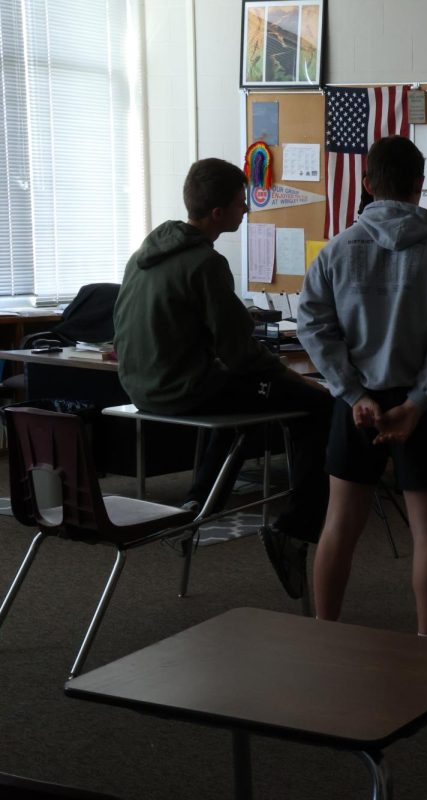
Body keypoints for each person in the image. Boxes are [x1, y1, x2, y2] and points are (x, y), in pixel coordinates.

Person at [113, 158, 332, 599]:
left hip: (141, 388)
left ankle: (196, 505)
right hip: (185, 391)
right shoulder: (205, 263)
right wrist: (292, 379)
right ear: (217, 215)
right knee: (319, 405)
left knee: (245, 410)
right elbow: (239, 352)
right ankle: (297, 528)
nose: (246, 210)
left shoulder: (142, 256)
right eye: (240, 203)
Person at [297, 135, 427, 635]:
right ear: (421, 186)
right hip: (422, 406)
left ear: (367, 184)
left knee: (339, 526)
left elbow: (312, 325)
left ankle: (324, 632)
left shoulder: (337, 250)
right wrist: (419, 402)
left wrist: (353, 394)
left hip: (357, 404)